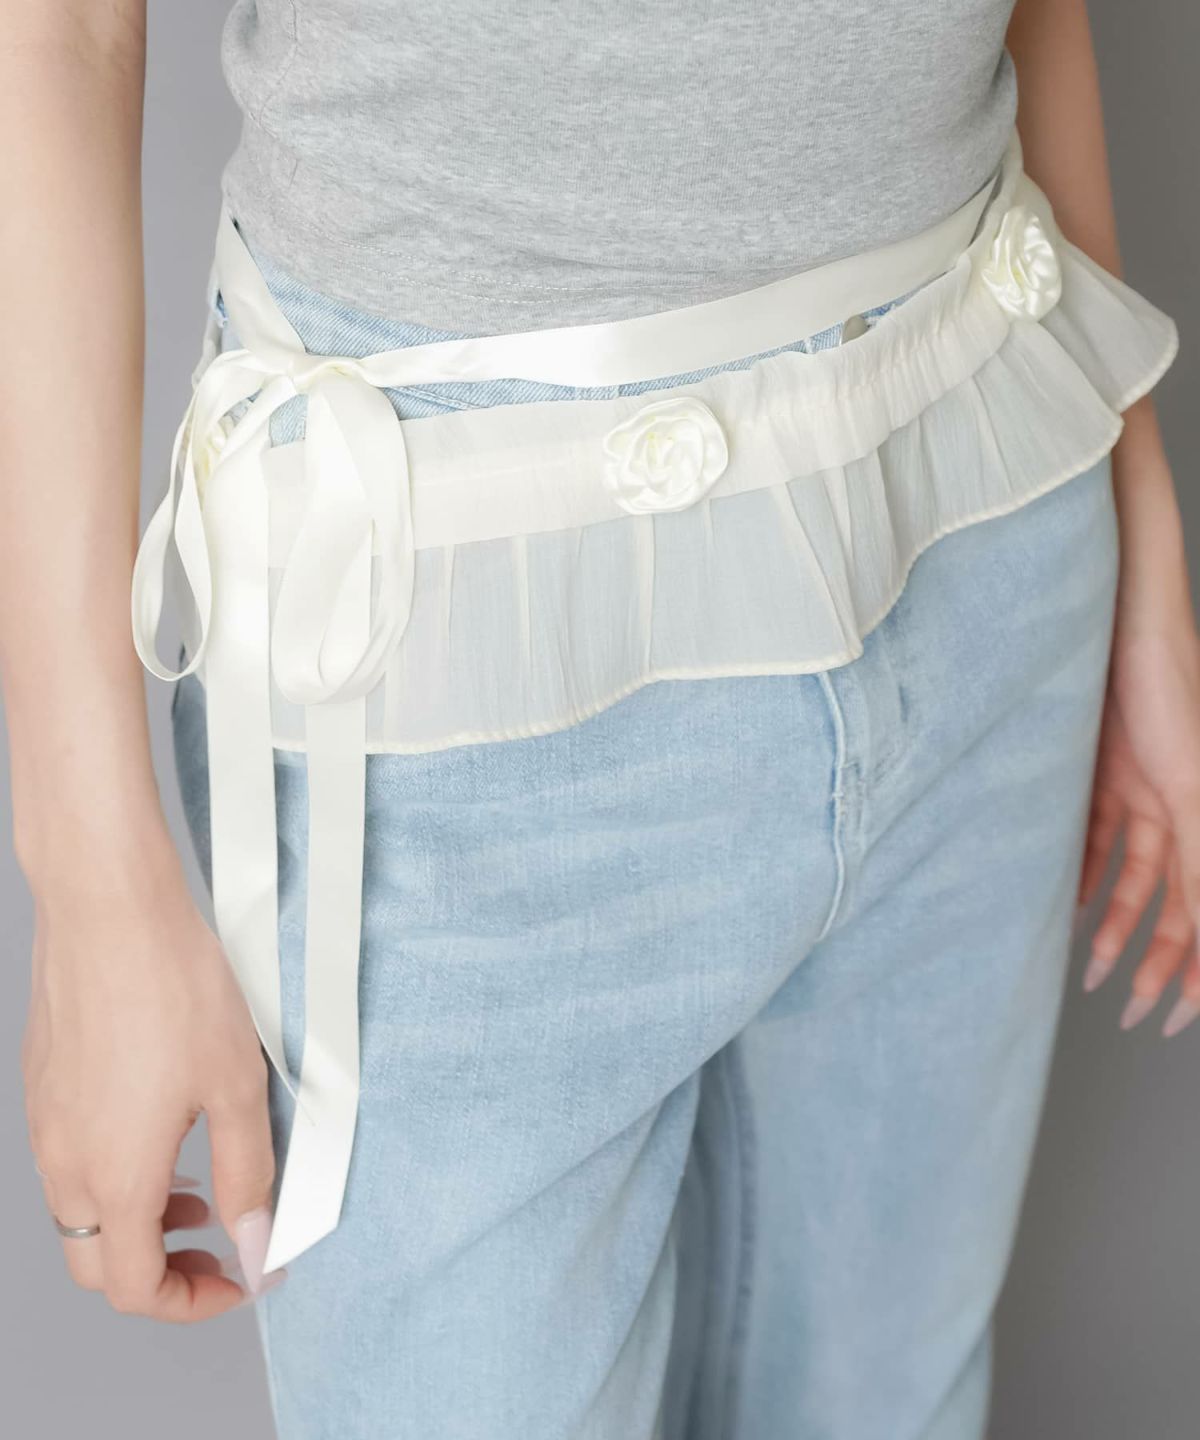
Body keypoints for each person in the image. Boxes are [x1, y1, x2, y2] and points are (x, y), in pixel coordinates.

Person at [0, 1, 1187, 1437]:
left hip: (986, 482)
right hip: (457, 634)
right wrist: (91, 883)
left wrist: (1140, 535)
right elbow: (60, 34)